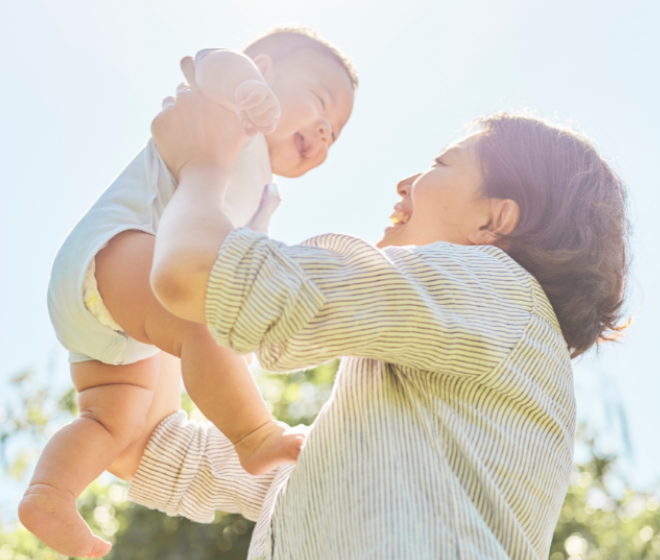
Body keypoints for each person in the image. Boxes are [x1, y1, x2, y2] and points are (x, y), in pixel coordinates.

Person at [113, 66, 630, 560]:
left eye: (440, 164)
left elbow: (205, 275)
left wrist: (200, 167)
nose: (406, 181)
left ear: (494, 221)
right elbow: (148, 446)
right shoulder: (369, 441)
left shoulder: (502, 292)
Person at [19, 26, 357, 559]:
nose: (323, 130)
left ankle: (49, 494)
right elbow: (208, 61)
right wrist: (242, 85)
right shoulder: (230, 110)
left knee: (112, 420)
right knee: (202, 316)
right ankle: (254, 437)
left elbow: (240, 267)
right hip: (118, 251)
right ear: (265, 70)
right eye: (319, 102)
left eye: (334, 133)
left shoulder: (265, 195)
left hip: (114, 315)